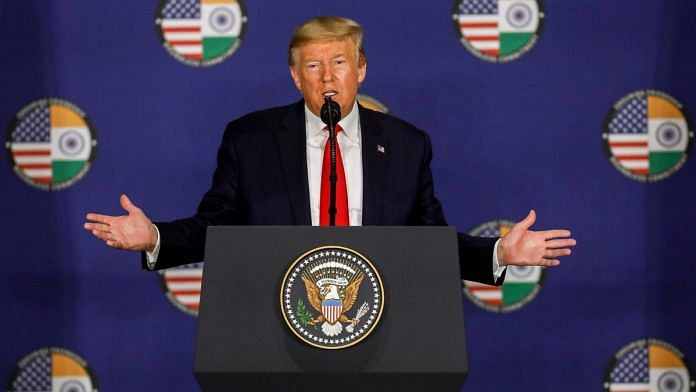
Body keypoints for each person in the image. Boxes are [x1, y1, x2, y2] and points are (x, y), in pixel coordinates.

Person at [84, 16, 575, 285]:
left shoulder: (406, 145)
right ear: (296, 78)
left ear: (361, 69)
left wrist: (497, 252)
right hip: (275, 321)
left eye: (339, 61)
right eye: (313, 66)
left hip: (381, 322)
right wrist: (154, 238)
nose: (327, 76)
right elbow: (216, 227)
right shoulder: (250, 139)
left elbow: (427, 240)